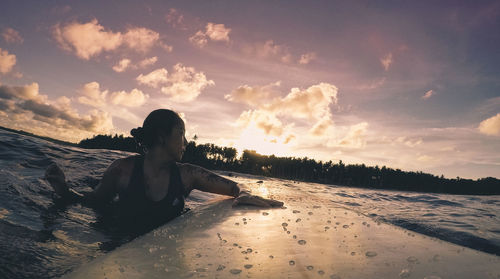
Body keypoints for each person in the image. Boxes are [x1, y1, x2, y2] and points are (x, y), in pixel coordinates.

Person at [44, 109, 283, 231]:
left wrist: (244, 194)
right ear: (161, 137)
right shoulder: (122, 170)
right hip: (116, 238)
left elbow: (234, 187)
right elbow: (94, 202)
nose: (186, 142)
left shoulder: (188, 175)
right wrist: (64, 190)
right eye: (181, 134)